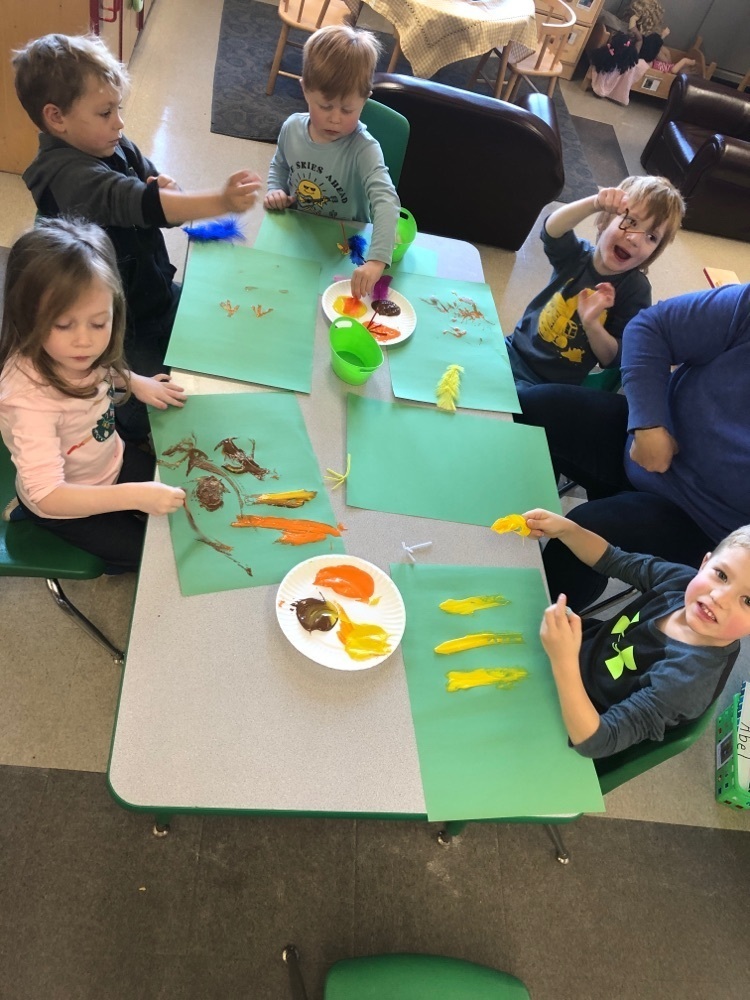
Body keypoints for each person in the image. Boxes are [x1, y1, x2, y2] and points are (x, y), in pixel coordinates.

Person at [12, 33, 261, 437]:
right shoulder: (67, 177)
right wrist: (220, 200)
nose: (120, 122)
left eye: (119, 108)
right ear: (56, 117)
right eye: (105, 112)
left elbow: (157, 195)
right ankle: (132, 435)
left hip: (152, 285)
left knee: (209, 343)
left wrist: (169, 191)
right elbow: (141, 203)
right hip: (119, 320)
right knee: (148, 412)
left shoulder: (110, 143)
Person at [515, 282, 750, 610]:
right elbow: (652, 327)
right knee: (532, 407)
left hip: (702, 522)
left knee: (583, 533)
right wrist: (649, 424)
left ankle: (531, 625)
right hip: (640, 440)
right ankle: (504, 525)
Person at [0, 217, 187, 572]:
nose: (85, 341)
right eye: (64, 325)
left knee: (181, 499)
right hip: (63, 504)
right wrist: (134, 497)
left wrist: (135, 382)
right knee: (149, 557)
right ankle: (30, 517)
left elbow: (103, 369)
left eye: (99, 323)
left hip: (109, 458)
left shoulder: (76, 351)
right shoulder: (28, 401)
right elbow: (49, 494)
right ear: (26, 317)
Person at [524, 508, 746, 758]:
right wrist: (568, 530)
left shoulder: (687, 681)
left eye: (747, 600)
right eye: (721, 574)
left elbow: (598, 742)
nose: (720, 597)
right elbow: (613, 559)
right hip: (568, 655)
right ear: (705, 563)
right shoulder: (681, 581)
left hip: (573, 720)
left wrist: (562, 660)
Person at [504, 175, 685, 389]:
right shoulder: (577, 255)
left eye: (651, 237)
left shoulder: (635, 289)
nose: (635, 239)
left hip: (550, 385)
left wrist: (592, 324)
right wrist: (595, 203)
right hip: (514, 349)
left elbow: (613, 357)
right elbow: (551, 230)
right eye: (631, 221)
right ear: (604, 221)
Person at [264, 24, 400, 300]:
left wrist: (376, 260)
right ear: (305, 90)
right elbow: (279, 165)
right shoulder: (291, 128)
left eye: (348, 109)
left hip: (346, 249)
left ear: (365, 100)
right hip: (300, 235)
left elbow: (386, 201)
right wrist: (274, 190)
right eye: (325, 106)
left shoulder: (364, 149)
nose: (335, 118)